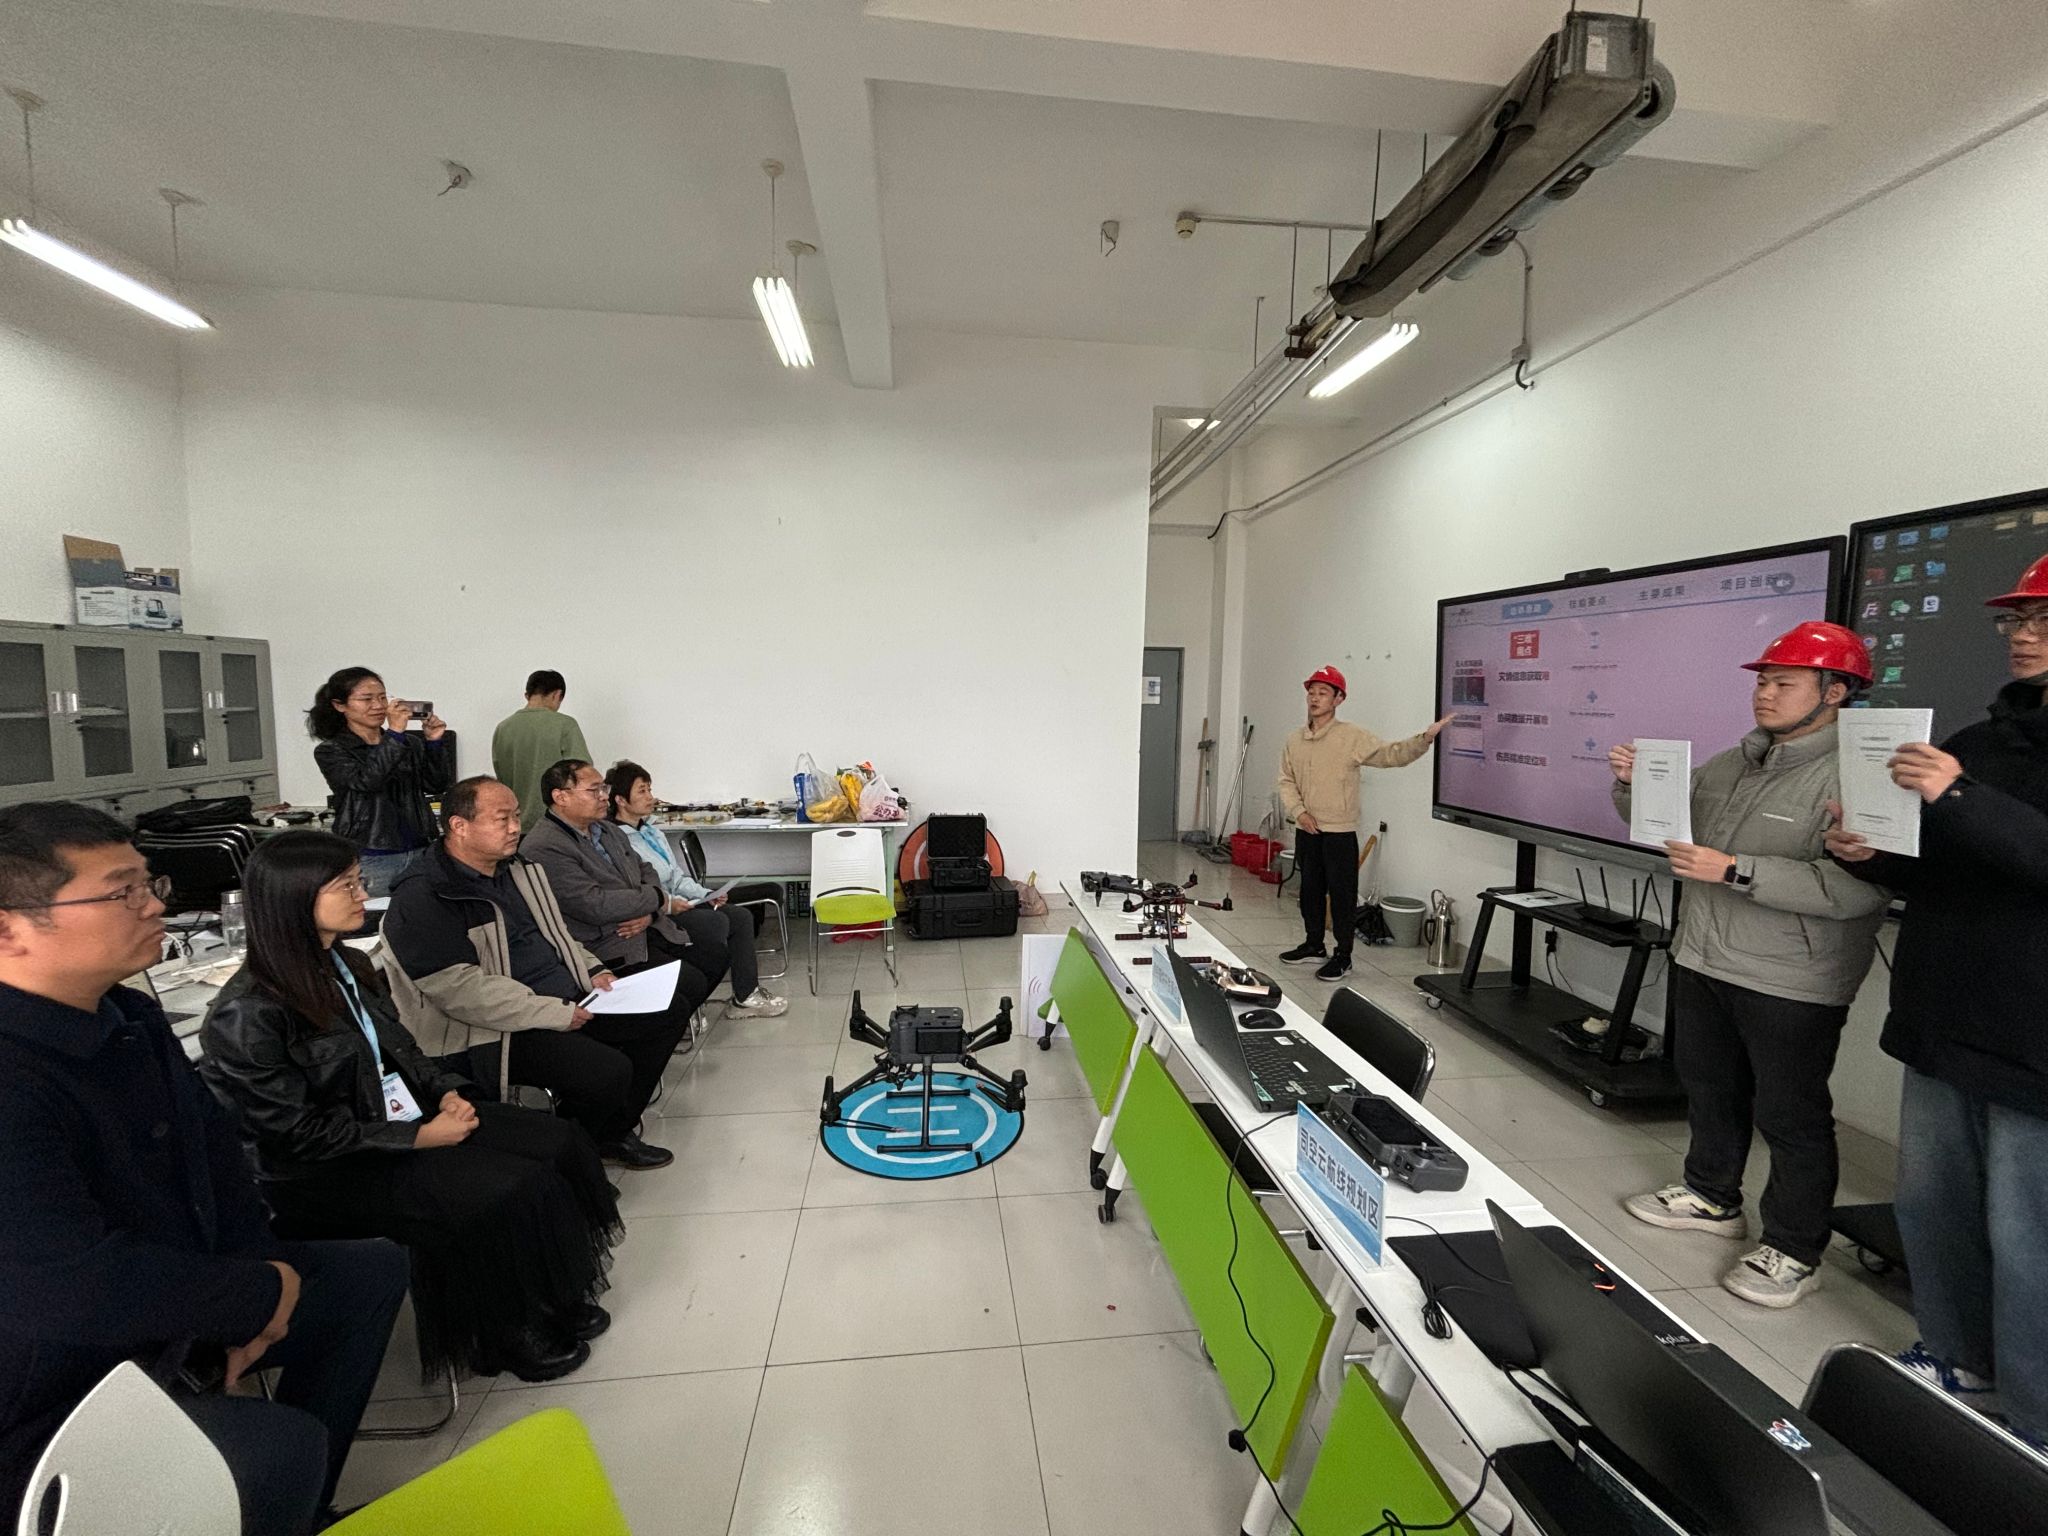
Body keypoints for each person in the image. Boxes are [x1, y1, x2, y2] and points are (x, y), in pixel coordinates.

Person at [0, 802, 407, 1535]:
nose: (156, 904)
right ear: (9, 929)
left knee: (367, 1274)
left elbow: (214, 1158)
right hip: (56, 1377)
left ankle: (299, 1508)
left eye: (148, 883)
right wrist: (246, 1298)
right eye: (122, 892)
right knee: (274, 1449)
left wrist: (257, 1283)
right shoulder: (16, 1076)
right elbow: (73, 1285)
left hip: (176, 1295)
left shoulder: (128, 1016)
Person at [199, 832, 623, 1386]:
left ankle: (548, 1295)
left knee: (555, 1141)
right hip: (324, 1171)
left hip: (396, 1120)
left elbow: (403, 1052)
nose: (363, 894)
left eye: (358, 880)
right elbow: (295, 1134)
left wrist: (447, 1092)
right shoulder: (248, 1011)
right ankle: (499, 1334)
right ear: (295, 898)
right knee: (498, 1187)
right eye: (346, 885)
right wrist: (420, 1138)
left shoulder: (347, 964)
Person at [1827, 553, 2048, 1446]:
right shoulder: (1977, 741)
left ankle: (2032, 1427)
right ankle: (1955, 1357)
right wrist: (1868, 852)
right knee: (1933, 1206)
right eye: (2016, 619)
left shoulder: (1962, 769)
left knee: (2028, 1239)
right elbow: (1935, 860)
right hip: (1943, 1015)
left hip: (2033, 1039)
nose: (2023, 635)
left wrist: (1956, 796)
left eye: (2043, 620)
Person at [1610, 622, 1889, 1308]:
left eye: (1783, 682)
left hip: (1793, 977)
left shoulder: (1862, 774)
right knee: (1709, 1087)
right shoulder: (1733, 762)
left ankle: (1793, 1248)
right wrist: (1631, 785)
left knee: (1790, 1114)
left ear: (1835, 692)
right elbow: (1669, 824)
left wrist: (1738, 870)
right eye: (1762, 681)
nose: (1764, 693)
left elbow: (1862, 890)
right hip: (1705, 954)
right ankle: (1711, 1195)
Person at [381, 776, 679, 1172]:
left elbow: (557, 933)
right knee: (606, 1070)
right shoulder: (425, 895)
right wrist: (552, 1013)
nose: (514, 828)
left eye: (517, 816)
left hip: (564, 996)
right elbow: (462, 992)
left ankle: (606, 1133)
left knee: (664, 1015)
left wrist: (593, 969)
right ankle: (574, 1155)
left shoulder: (517, 869)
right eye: (501, 819)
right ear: (459, 826)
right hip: (493, 1028)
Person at [1276, 665, 1449, 980]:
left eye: (1323, 692)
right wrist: (1299, 812)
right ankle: (1314, 945)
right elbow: (1286, 780)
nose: (1314, 698)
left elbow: (1390, 754)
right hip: (1307, 830)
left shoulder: (1351, 736)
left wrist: (1424, 739)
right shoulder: (1294, 739)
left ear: (1338, 699)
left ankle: (1343, 956)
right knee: (1310, 893)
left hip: (1339, 833)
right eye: (1311, 692)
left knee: (1342, 897)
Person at [524, 761, 727, 1018]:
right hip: (607, 943)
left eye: (604, 789)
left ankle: (670, 1021)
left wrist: (650, 913)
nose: (604, 796)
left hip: (646, 926)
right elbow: (595, 905)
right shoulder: (546, 846)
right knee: (688, 984)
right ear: (560, 797)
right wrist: (656, 898)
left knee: (716, 956)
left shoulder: (606, 830)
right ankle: (661, 1022)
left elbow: (646, 870)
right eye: (594, 790)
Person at [603, 760, 788, 1018]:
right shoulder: (617, 841)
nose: (650, 797)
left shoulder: (651, 831)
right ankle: (696, 995)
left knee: (741, 916)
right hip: (659, 912)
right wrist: (673, 904)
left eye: (649, 789)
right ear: (621, 800)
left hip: (681, 903)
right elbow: (641, 890)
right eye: (642, 791)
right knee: (719, 923)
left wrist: (706, 895)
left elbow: (677, 877)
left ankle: (745, 996)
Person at [308, 665, 455, 897]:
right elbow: (367, 782)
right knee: (376, 915)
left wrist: (434, 743)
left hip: (420, 848)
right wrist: (395, 734)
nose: (378, 706)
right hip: (372, 853)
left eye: (382, 697)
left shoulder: (408, 743)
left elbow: (436, 785)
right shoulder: (332, 750)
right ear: (340, 705)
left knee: (422, 913)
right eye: (366, 699)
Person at [492, 671, 593, 833]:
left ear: (527, 695)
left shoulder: (503, 728)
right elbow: (583, 775)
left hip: (516, 825)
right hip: (556, 824)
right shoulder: (565, 725)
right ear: (557, 695)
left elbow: (501, 778)